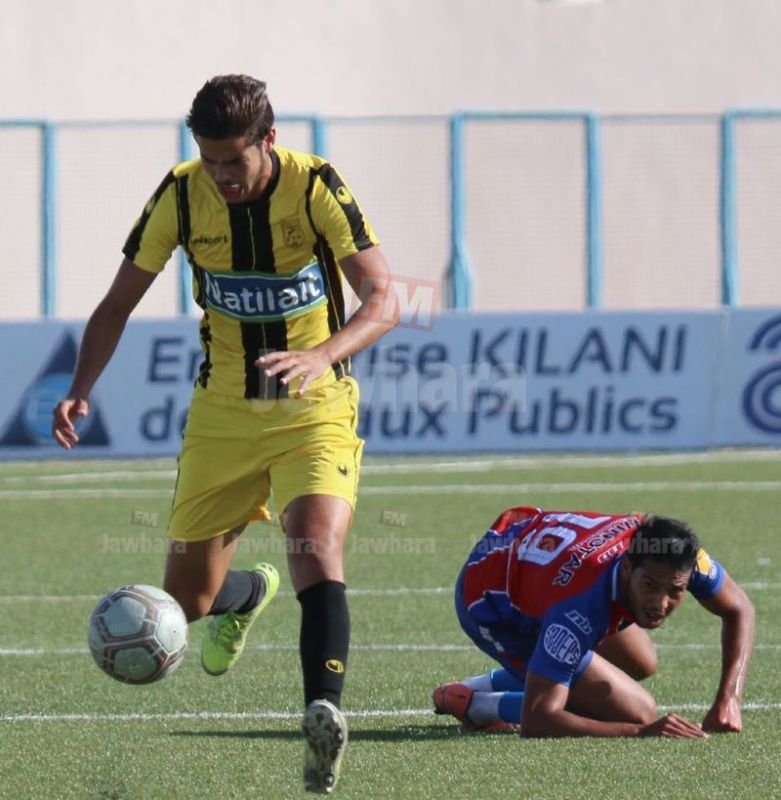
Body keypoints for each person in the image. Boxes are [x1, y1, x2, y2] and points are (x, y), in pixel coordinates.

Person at [52, 74, 399, 794]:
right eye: (209, 161)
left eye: (233, 162)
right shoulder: (182, 194)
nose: (221, 176)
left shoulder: (315, 186)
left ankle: (323, 712)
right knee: (188, 604)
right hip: (222, 415)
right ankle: (244, 595)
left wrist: (322, 355)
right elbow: (116, 305)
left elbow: (384, 297)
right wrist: (80, 388)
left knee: (314, 546)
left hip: (312, 407)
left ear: (268, 140)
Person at [433, 505, 755, 738]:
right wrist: (640, 731)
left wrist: (729, 699)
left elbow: (740, 608)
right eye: (650, 586)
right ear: (627, 569)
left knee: (641, 661)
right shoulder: (577, 611)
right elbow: (538, 719)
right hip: (491, 602)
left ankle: (481, 684)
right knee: (637, 710)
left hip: (532, 557)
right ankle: (478, 706)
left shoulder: (673, 555)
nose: (660, 603)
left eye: (675, 591)